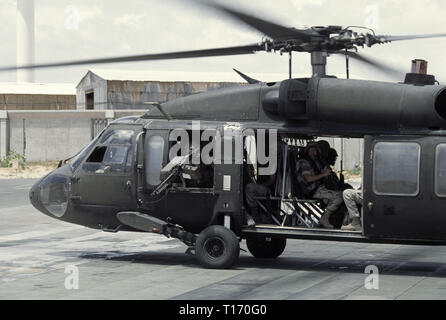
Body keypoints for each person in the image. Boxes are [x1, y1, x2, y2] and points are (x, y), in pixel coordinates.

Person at [296, 142, 344, 229]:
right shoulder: (304, 163)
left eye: (315, 151)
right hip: (311, 190)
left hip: (319, 188)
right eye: (311, 151)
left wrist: (324, 174)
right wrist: (323, 175)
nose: (313, 153)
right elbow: (308, 179)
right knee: (339, 196)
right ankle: (324, 219)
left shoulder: (315, 162)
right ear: (307, 152)